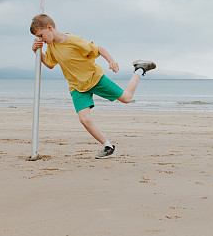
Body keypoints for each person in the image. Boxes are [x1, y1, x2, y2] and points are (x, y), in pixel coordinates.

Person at [30, 14, 155, 159]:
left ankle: (140, 69)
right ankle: (109, 147)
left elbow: (99, 49)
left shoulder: (73, 41)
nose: (41, 40)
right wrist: (36, 52)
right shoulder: (51, 47)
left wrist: (111, 61)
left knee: (126, 98)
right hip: (77, 86)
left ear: (49, 28)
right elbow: (50, 65)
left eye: (41, 35)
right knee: (84, 119)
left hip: (95, 79)